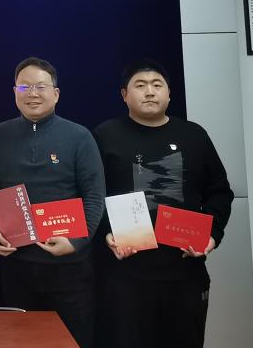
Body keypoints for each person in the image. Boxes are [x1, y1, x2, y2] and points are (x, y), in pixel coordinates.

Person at [93, 59, 233, 348]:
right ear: (124, 95)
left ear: (169, 94)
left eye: (157, 85)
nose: (149, 91)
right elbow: (92, 196)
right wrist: (106, 233)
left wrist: (212, 236)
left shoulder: (194, 135)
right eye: (140, 85)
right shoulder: (105, 136)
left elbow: (220, 192)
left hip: (185, 272)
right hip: (125, 275)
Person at [0, 57, 105, 348]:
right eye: (24, 86)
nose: (32, 93)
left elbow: (95, 196)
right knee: (22, 341)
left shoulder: (79, 136)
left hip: (70, 266)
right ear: (14, 92)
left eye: (41, 86)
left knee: (74, 341)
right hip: (16, 265)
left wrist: (77, 242)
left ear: (55, 94)